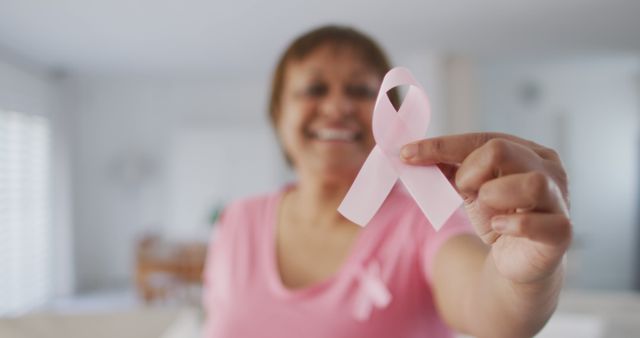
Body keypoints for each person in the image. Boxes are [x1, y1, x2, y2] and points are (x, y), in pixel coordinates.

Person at [202, 25, 571, 338]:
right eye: (314, 89)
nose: (337, 107)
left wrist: (525, 278)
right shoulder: (237, 219)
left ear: (393, 118)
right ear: (278, 114)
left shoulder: (422, 223)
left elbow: (489, 307)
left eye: (360, 91)